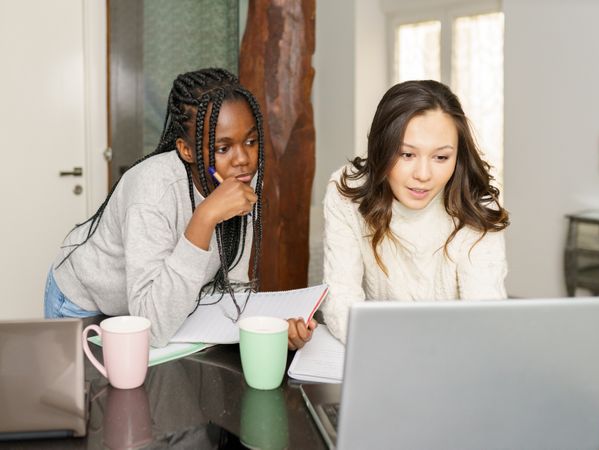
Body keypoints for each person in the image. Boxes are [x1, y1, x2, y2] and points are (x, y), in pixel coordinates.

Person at [45, 68, 314, 349]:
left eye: (250, 141)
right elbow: (152, 328)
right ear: (187, 150)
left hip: (149, 305)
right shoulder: (152, 189)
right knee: (85, 392)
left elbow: (233, 285)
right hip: (83, 302)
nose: (243, 159)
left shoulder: (240, 179)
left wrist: (269, 332)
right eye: (223, 148)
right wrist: (205, 216)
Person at [320, 80, 510, 343]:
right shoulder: (347, 193)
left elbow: (485, 320)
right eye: (407, 155)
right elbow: (341, 302)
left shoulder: (476, 205)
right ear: (381, 147)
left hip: (454, 357)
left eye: (441, 157)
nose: (423, 175)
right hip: (378, 351)